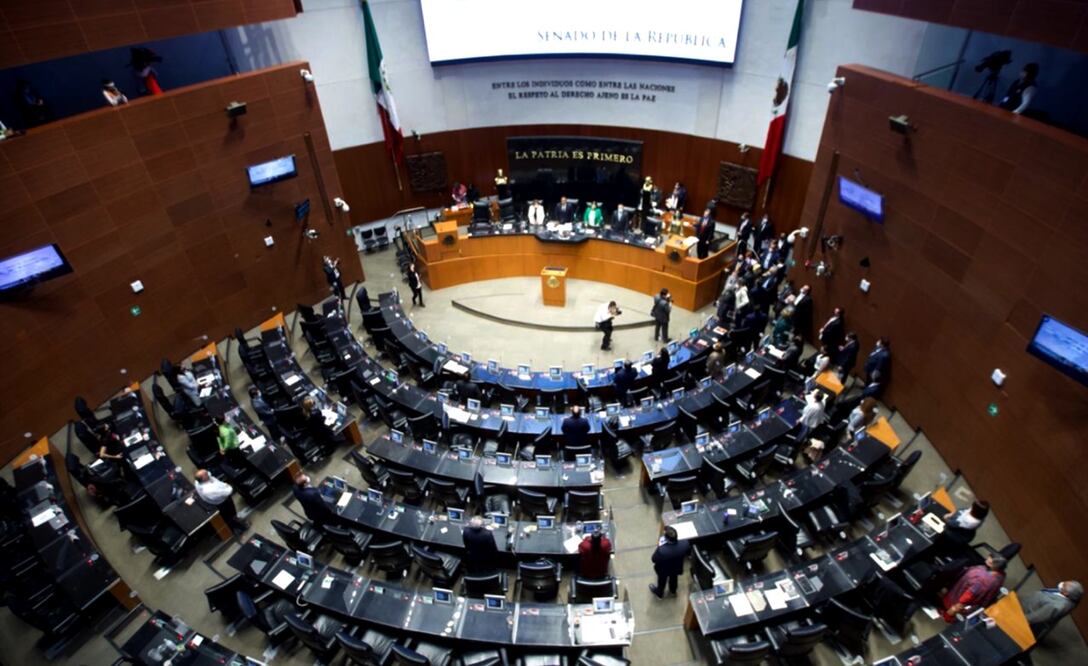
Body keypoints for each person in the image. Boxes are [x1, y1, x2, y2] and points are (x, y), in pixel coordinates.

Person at [942, 555, 1007, 621]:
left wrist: (955, 608)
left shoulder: (981, 580)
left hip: (959, 600)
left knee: (955, 608)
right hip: (981, 601)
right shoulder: (1001, 576)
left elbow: (968, 596)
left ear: (992, 565)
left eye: (988, 561)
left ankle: (947, 617)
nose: (986, 560)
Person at [194, 469, 247, 534]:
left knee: (230, 515)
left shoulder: (198, 481)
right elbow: (228, 491)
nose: (208, 473)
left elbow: (211, 475)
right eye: (205, 474)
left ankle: (236, 522)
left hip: (221, 497)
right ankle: (237, 528)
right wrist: (227, 486)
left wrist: (225, 485)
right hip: (222, 503)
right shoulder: (208, 490)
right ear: (203, 479)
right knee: (229, 515)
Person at [649, 526, 691, 598]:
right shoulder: (685, 544)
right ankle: (673, 590)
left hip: (663, 570)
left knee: (662, 581)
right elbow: (688, 553)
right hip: (676, 567)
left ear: (667, 539)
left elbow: (653, 559)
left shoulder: (662, 550)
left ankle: (659, 592)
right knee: (674, 578)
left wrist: (660, 546)